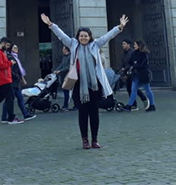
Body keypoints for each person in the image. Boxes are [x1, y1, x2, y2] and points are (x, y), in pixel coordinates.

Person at [40, 12, 129, 149]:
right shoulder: (73, 44)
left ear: (89, 37)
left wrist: (119, 27)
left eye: (86, 36)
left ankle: (94, 139)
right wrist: (51, 25)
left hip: (94, 86)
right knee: (82, 113)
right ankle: (84, 140)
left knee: (94, 113)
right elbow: (61, 35)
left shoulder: (95, 45)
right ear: (78, 37)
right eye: (81, 36)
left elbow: (107, 36)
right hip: (78, 85)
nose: (83, 38)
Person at [4, 44, 35, 121]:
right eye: (15, 47)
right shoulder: (10, 58)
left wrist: (22, 78)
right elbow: (10, 71)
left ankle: (25, 115)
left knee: (19, 98)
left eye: (17, 47)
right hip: (12, 82)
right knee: (9, 100)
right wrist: (18, 77)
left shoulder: (15, 58)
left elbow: (19, 69)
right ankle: (5, 117)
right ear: (11, 49)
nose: (17, 48)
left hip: (16, 82)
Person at [125, 40, 156, 112]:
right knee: (133, 89)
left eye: (135, 44)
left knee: (147, 90)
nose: (134, 46)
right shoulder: (134, 53)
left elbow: (142, 64)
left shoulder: (144, 54)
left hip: (143, 75)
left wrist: (135, 64)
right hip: (136, 74)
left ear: (139, 45)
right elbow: (131, 62)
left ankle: (152, 105)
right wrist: (135, 64)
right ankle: (129, 105)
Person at [120, 39, 148, 110]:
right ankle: (134, 104)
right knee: (130, 88)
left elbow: (132, 63)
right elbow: (124, 63)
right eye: (122, 44)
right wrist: (123, 69)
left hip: (133, 72)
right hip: (128, 72)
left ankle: (140, 100)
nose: (123, 45)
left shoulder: (133, 52)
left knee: (133, 88)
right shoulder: (124, 53)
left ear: (128, 45)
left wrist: (126, 69)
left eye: (124, 44)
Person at [53, 45, 73, 111]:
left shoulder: (70, 57)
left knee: (66, 91)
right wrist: (56, 70)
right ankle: (66, 105)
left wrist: (60, 70)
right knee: (66, 91)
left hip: (68, 76)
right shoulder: (64, 57)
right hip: (63, 76)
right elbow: (61, 65)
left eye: (63, 49)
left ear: (66, 50)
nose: (62, 50)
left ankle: (66, 105)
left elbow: (68, 67)